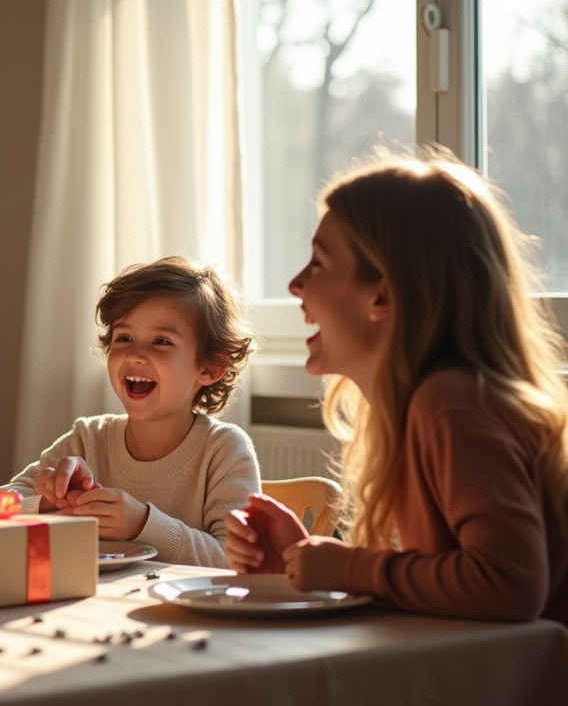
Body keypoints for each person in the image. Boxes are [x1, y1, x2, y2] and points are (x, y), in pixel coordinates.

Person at [225, 147, 568, 624]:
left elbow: (509, 585)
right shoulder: (425, 405)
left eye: (318, 263)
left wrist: (348, 567)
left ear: (382, 294)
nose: (295, 285)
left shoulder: (450, 403)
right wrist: (302, 562)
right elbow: (446, 586)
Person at [0, 256, 260, 567]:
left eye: (161, 341)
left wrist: (144, 524)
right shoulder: (88, 438)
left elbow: (236, 560)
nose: (135, 354)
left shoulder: (225, 450)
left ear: (210, 367)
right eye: (124, 338)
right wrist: (47, 502)